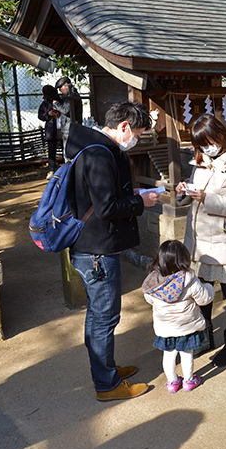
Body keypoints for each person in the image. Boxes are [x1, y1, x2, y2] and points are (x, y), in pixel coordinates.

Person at [65, 100, 159, 401]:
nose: (137, 140)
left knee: (98, 316)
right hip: (97, 250)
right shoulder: (99, 154)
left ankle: (105, 369)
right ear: (124, 127)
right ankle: (106, 384)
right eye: (139, 133)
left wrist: (129, 194)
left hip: (90, 246)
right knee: (104, 318)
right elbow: (106, 208)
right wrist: (139, 202)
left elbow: (99, 197)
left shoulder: (90, 147)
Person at [176, 114, 226, 367]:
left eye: (208, 141)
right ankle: (205, 336)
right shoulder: (202, 162)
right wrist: (185, 192)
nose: (206, 148)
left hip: (222, 240)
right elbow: (195, 197)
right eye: (201, 144)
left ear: (221, 135)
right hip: (198, 240)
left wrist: (206, 197)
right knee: (202, 291)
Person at [142, 240, 214, 393]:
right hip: (186, 327)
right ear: (184, 260)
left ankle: (172, 382)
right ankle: (189, 381)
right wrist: (209, 287)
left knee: (168, 355)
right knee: (187, 354)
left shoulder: (154, 281)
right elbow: (204, 299)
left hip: (165, 328)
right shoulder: (189, 280)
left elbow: (149, 299)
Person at [37, 85, 61, 179]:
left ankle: (65, 168)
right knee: (51, 150)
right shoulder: (45, 103)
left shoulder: (61, 100)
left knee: (65, 148)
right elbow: (40, 115)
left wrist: (60, 114)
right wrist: (48, 114)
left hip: (61, 129)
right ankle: (51, 170)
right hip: (51, 130)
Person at [53, 76, 81, 149]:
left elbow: (66, 110)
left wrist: (56, 104)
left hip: (70, 127)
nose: (60, 90)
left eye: (60, 88)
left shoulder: (72, 95)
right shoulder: (71, 95)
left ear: (66, 86)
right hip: (69, 126)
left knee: (68, 150)